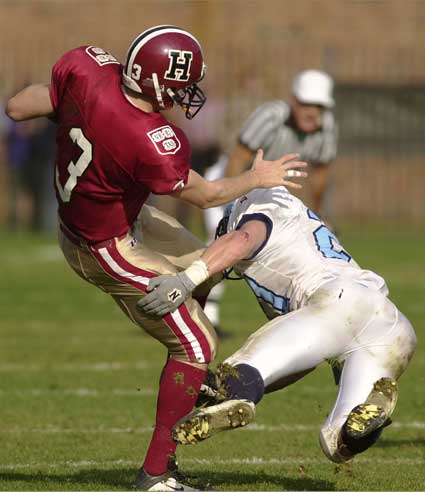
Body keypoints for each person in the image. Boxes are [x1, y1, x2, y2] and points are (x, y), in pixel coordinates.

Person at [5, 25, 307, 491]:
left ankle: (194, 383)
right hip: (102, 245)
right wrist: (256, 177)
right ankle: (157, 474)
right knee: (197, 345)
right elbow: (207, 196)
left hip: (119, 213)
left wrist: (78, 113)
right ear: (157, 83)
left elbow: (19, 106)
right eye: (182, 84)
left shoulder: (87, 69)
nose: (188, 94)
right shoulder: (151, 136)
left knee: (207, 262)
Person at [138, 185, 416, 464]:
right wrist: (246, 390)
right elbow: (300, 359)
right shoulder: (299, 223)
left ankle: (239, 394)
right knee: (338, 443)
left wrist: (188, 279)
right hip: (391, 325)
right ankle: (373, 409)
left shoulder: (256, 208)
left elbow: (244, 238)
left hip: (336, 302)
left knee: (238, 368)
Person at [199, 69, 338, 333]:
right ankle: (206, 315)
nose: (312, 112)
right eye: (307, 104)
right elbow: (238, 159)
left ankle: (293, 320)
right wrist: (232, 200)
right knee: (220, 244)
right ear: (293, 101)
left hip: (271, 194)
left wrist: (319, 215)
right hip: (234, 182)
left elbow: (320, 174)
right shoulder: (271, 116)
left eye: (318, 106)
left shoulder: (327, 127)